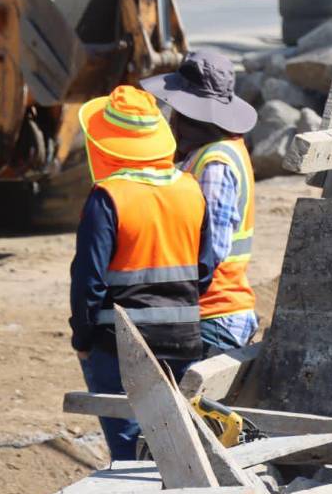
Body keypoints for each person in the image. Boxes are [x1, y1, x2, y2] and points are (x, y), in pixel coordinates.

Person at [69, 85, 213, 460]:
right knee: (178, 450)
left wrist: (82, 340)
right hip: (184, 341)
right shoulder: (190, 188)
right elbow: (205, 271)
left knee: (129, 452)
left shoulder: (108, 196)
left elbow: (88, 281)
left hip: (119, 345)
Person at [142, 52, 260, 356]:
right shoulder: (222, 150)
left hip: (212, 315)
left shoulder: (214, 164)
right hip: (216, 311)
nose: (170, 120)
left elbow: (212, 250)